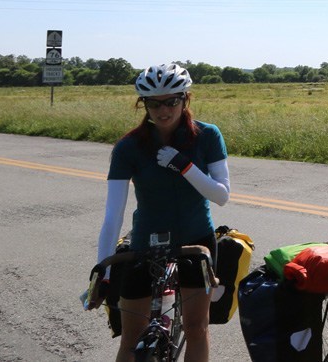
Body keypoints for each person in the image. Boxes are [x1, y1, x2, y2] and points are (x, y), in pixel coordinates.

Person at [86, 63, 231, 362]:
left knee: (196, 327)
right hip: (145, 243)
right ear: (144, 104)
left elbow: (221, 196)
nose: (162, 111)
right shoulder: (128, 147)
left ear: (185, 99)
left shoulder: (207, 136)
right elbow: (113, 214)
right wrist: (103, 270)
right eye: (154, 104)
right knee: (131, 337)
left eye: (171, 102)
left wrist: (185, 166)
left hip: (197, 240)